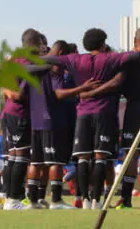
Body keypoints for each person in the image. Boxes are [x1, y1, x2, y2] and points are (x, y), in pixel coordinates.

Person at [41, 28, 140, 210]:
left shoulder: (75, 59)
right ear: (103, 43)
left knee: (83, 158)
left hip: (82, 114)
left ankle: (84, 200)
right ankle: (96, 201)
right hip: (104, 113)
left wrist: (22, 59)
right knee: (100, 158)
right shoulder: (111, 58)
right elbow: (139, 55)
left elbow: (50, 59)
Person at [26, 40, 100, 210]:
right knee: (55, 163)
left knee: (36, 163)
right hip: (50, 121)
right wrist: (82, 88)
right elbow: (58, 93)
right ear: (61, 55)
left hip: (36, 121)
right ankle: (56, 201)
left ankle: (32, 202)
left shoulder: (36, 67)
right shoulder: (54, 69)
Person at [1, 29, 45, 211]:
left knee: (13, 157)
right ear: (34, 44)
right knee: (21, 157)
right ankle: (13, 199)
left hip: (8, 113)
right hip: (19, 114)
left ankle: (11, 198)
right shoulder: (27, 63)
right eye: (41, 44)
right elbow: (18, 95)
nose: (43, 48)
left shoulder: (14, 60)